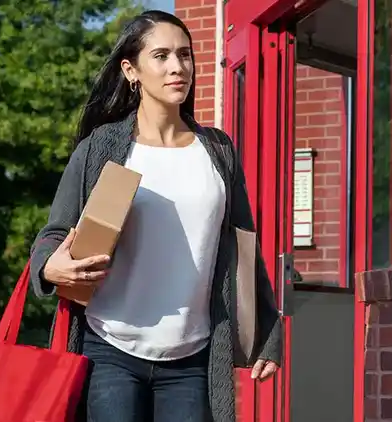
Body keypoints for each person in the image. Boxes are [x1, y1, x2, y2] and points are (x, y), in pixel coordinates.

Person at [28, 10, 282, 422]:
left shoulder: (217, 151)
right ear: (132, 70)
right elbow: (55, 233)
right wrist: (50, 267)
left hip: (192, 358)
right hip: (109, 350)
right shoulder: (102, 146)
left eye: (185, 55)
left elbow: (243, 247)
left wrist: (267, 334)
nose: (177, 67)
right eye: (161, 56)